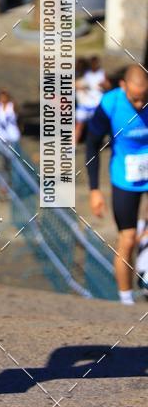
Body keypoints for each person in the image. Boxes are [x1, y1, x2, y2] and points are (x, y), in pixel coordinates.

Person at [86, 64, 148, 305]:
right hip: (125, 176)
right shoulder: (109, 104)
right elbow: (92, 145)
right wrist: (94, 190)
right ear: (123, 87)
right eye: (134, 99)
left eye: (144, 99)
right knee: (128, 238)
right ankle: (125, 301)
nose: (140, 105)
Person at [75, 56, 110, 144]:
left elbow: (108, 86)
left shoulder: (102, 73)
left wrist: (104, 85)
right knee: (79, 126)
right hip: (84, 104)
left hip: (96, 104)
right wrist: (81, 87)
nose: (94, 65)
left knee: (99, 126)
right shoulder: (85, 74)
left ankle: (101, 142)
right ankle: (72, 146)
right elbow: (76, 84)